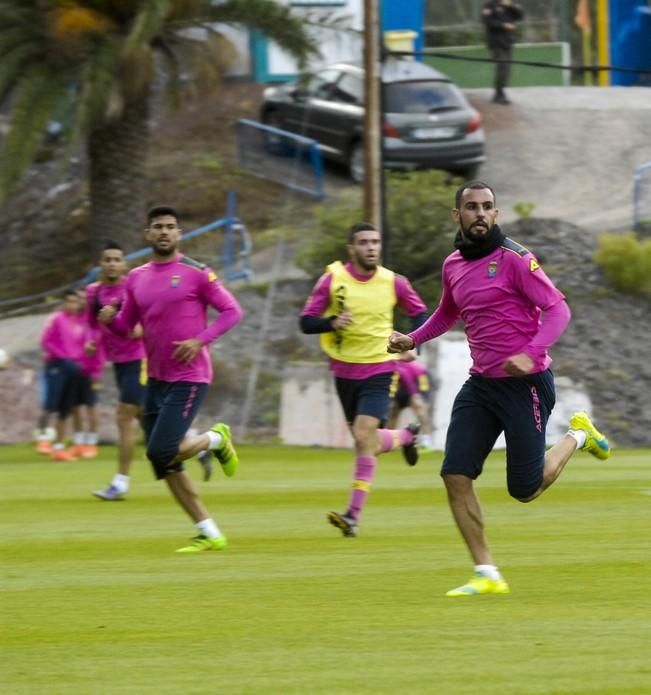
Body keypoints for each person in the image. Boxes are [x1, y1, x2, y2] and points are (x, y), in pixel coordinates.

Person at [388, 181, 610, 596]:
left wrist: (532, 351)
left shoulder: (515, 260)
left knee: (524, 489)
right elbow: (446, 312)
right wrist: (412, 339)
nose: (480, 213)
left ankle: (579, 434)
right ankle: (486, 572)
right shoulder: (453, 264)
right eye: (471, 207)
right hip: (482, 385)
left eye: (487, 206)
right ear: (458, 215)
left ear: (496, 213)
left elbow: (559, 309)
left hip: (526, 383)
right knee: (455, 474)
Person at [99, 206, 244, 552]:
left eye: (170, 227)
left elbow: (232, 312)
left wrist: (200, 341)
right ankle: (209, 533)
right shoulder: (136, 278)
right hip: (157, 379)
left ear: (179, 234)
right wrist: (109, 320)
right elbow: (127, 326)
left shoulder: (197, 273)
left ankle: (215, 439)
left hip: (190, 377)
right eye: (158, 227)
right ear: (148, 235)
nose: (164, 232)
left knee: (161, 449)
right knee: (162, 461)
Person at [300, 222, 428, 538]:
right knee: (366, 441)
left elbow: (421, 314)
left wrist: (413, 343)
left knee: (362, 435)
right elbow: (306, 322)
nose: (371, 247)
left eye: (375, 242)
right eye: (364, 242)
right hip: (343, 372)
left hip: (380, 369)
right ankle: (406, 437)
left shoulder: (393, 282)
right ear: (351, 248)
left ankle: (353, 515)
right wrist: (331, 322)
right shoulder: (333, 280)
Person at [85, 241, 147, 500]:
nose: (112, 263)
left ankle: (120, 483)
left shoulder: (132, 289)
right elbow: (91, 323)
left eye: (117, 259)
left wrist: (137, 329)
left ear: (124, 265)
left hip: (139, 359)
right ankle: (197, 445)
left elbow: (147, 319)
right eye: (107, 259)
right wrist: (91, 340)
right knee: (150, 421)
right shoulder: (93, 292)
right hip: (118, 363)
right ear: (101, 264)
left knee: (124, 417)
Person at [40, 289, 86, 461]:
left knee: (66, 408)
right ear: (64, 303)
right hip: (58, 365)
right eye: (69, 302)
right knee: (53, 404)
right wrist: (62, 356)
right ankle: (43, 439)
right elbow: (46, 341)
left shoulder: (79, 322)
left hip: (74, 367)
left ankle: (58, 448)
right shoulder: (57, 319)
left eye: (75, 302)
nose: (72, 305)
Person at [388, 350, 435, 451]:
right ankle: (389, 441)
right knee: (392, 414)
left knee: (421, 413)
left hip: (417, 387)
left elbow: (409, 379)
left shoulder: (405, 366)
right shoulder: (391, 363)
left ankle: (426, 442)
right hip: (401, 390)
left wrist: (418, 397)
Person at [482, 0, 524, 105]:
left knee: (507, 69)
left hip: (508, 41)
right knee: (502, 66)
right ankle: (498, 94)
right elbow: (487, 21)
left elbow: (520, 16)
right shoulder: (490, 5)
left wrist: (511, 6)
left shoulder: (510, 4)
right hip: (496, 42)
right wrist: (503, 25)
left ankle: (500, 91)